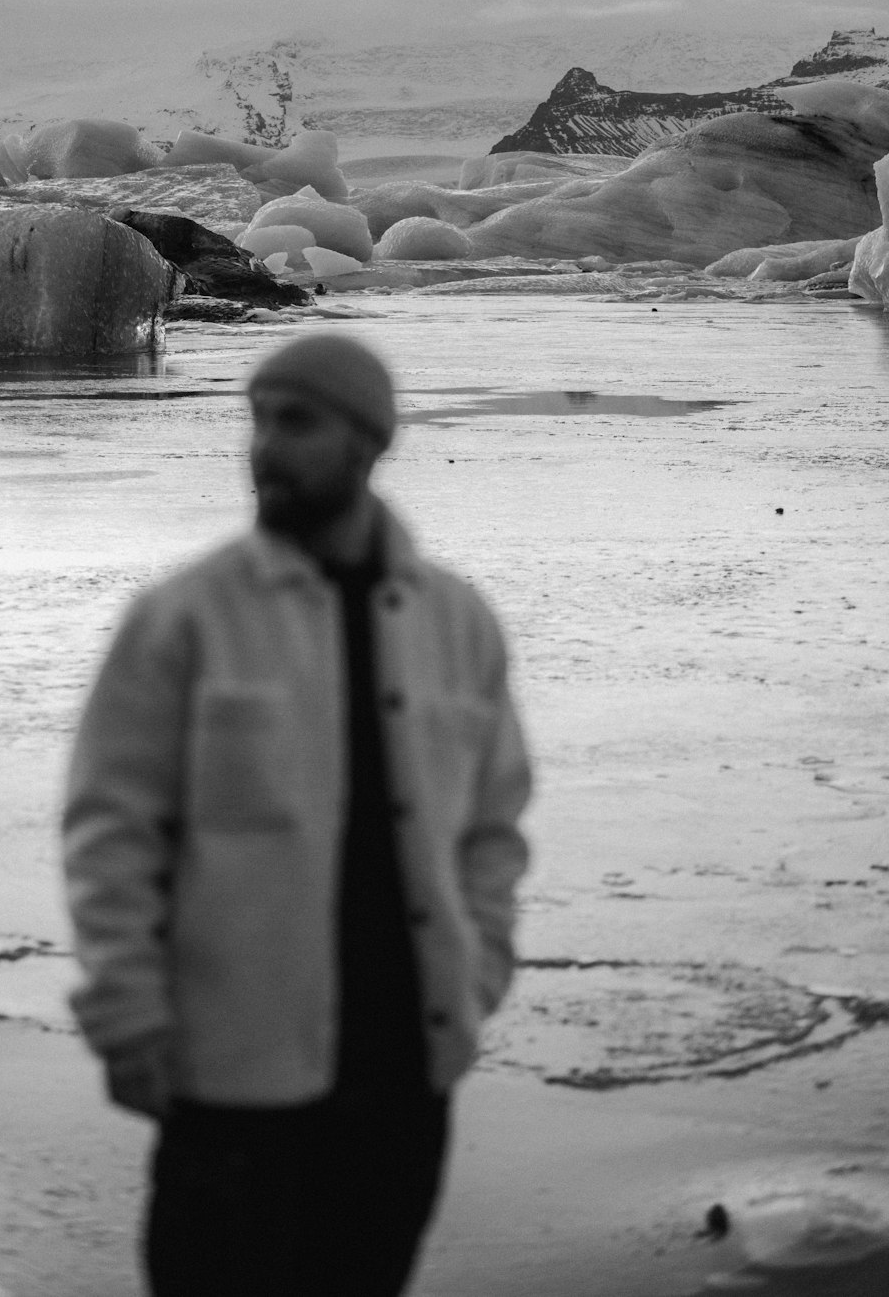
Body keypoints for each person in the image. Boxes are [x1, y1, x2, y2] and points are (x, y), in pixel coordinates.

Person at [62, 332, 532, 1296]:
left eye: (296, 421)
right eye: (258, 419)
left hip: (404, 1074)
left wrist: (478, 971)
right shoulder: (184, 618)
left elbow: (493, 828)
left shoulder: (458, 623)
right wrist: (127, 1017)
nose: (264, 445)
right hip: (233, 1075)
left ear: (368, 442)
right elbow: (112, 830)